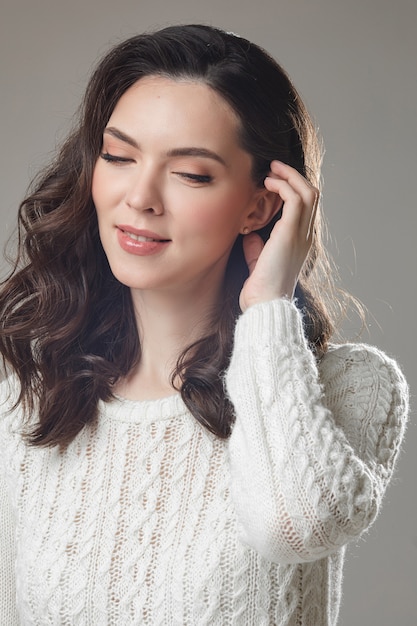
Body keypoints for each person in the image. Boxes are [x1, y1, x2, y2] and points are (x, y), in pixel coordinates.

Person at [0, 24, 409, 626]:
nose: (139, 196)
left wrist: (268, 304)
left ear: (261, 204)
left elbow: (294, 525)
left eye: (190, 173)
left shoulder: (350, 387)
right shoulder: (31, 386)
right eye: (118, 156)